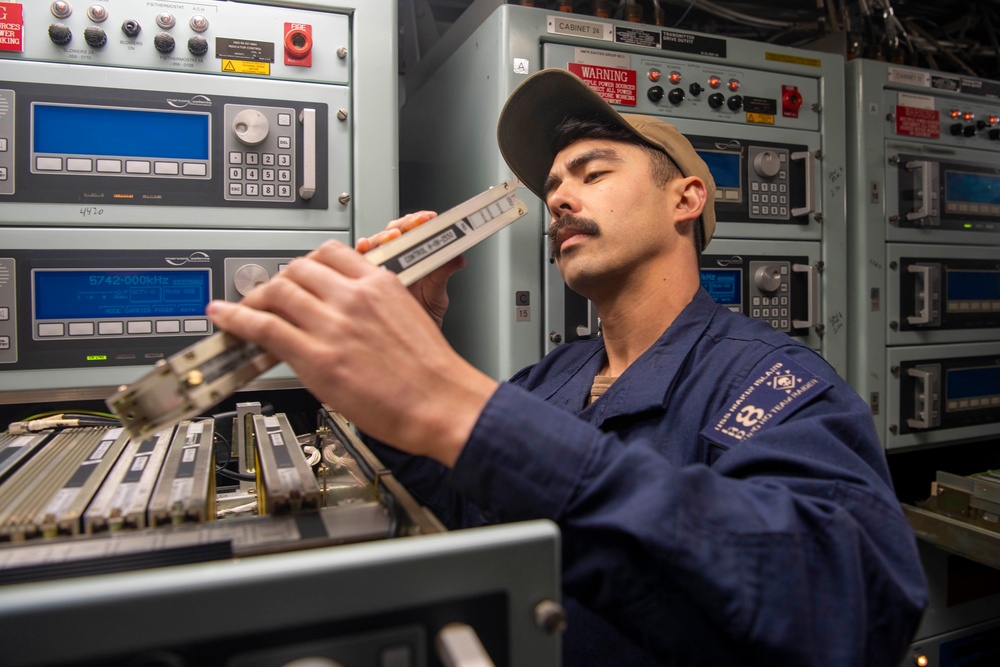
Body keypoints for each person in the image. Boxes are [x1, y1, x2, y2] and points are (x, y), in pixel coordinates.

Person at [206, 68, 928, 665]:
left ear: (686, 198)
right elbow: (462, 512)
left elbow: (850, 602)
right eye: (552, 185)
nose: (557, 198)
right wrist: (404, 376)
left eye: (592, 171)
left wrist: (462, 406)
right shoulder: (554, 377)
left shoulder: (775, 382)